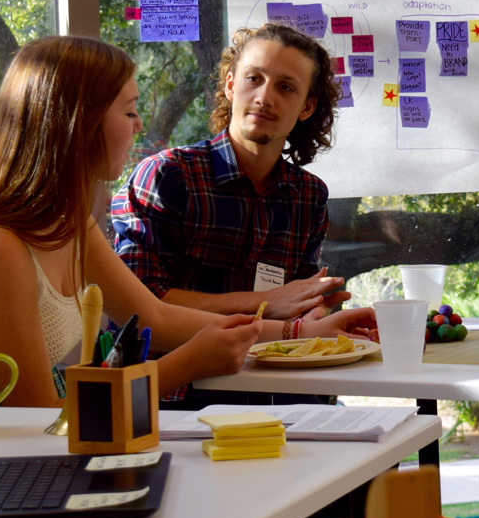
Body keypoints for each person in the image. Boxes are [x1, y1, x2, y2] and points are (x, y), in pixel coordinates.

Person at [0, 35, 374, 518]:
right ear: (77, 124)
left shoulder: (70, 226)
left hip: (74, 471)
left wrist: (295, 335)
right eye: (129, 111)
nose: (139, 127)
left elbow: (155, 317)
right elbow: (42, 429)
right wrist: (184, 367)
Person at [112, 23, 350, 326]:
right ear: (230, 85)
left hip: (267, 369)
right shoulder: (167, 176)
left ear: (307, 108)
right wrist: (264, 304)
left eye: (285, 87)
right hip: (169, 371)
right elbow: (140, 301)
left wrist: (313, 311)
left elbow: (295, 303)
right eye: (254, 78)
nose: (265, 97)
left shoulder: (308, 196)